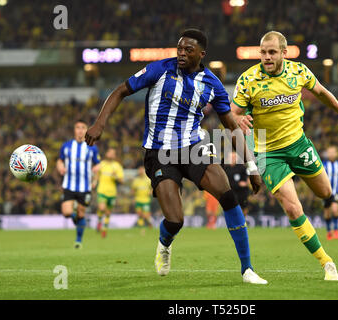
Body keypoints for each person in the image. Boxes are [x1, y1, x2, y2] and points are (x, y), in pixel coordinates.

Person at [85, 29, 267, 284]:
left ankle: (247, 269)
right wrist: (99, 124)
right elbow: (120, 91)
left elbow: (232, 127)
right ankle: (164, 243)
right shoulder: (159, 70)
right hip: (159, 152)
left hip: (193, 147)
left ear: (201, 54)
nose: (181, 53)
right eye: (179, 49)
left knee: (228, 196)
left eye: (187, 50)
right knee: (176, 220)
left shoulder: (212, 83)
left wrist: (253, 166)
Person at [231, 31, 338, 280]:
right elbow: (232, 112)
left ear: (283, 53)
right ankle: (326, 262)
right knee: (292, 208)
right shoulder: (248, 80)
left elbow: (321, 92)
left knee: (325, 192)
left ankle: (315, 197)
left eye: (271, 52)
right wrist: (238, 118)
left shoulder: (298, 71)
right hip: (267, 153)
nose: (266, 57)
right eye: (263, 52)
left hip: (299, 145)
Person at [56, 119, 100, 249]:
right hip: (69, 185)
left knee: (81, 213)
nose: (80, 130)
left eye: (83, 127)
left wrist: (95, 179)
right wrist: (60, 167)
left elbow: (98, 164)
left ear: (86, 130)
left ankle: (78, 241)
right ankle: (79, 222)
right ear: (74, 130)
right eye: (78, 127)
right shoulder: (66, 146)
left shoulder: (92, 147)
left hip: (85, 186)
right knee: (66, 212)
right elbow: (60, 160)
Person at [95, 147, 124, 238]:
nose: (111, 154)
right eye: (110, 152)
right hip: (102, 191)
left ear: (115, 156)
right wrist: (94, 183)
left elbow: (122, 180)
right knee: (102, 208)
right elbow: (96, 176)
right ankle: (99, 221)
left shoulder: (117, 166)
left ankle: (104, 229)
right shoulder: (101, 164)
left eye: (113, 153)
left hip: (112, 193)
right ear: (107, 154)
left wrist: (116, 176)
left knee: (107, 213)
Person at [322, 146, 338, 240]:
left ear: (336, 154)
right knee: (327, 213)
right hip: (326, 192)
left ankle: (336, 230)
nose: (331, 154)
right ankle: (329, 231)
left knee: (335, 210)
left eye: (333, 152)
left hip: (337, 191)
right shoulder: (323, 164)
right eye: (329, 152)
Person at [223, 151, 250, 216]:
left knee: (243, 207)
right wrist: (238, 184)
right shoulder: (225, 168)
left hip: (242, 192)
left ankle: (243, 222)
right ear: (228, 158)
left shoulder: (242, 167)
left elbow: (248, 180)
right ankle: (234, 222)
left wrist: (246, 183)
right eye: (231, 157)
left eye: (234, 157)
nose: (233, 159)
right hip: (231, 192)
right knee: (231, 208)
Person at [131, 165, 153, 231]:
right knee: (139, 214)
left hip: (146, 200)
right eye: (139, 170)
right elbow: (133, 190)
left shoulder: (148, 180)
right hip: (138, 199)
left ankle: (149, 223)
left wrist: (151, 192)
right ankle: (142, 229)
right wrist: (133, 195)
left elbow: (153, 188)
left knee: (145, 215)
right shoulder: (136, 180)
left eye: (142, 170)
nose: (141, 171)